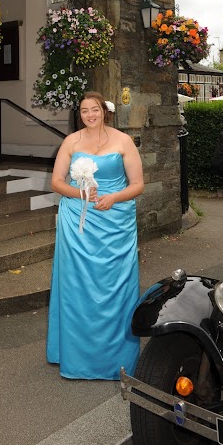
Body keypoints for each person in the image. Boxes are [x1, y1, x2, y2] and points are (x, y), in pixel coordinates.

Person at [46, 91, 144, 380]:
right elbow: (56, 182)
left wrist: (113, 198)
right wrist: (81, 194)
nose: (90, 115)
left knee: (116, 286)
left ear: (105, 111)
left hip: (116, 222)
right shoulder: (71, 142)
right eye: (84, 110)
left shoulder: (123, 141)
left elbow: (138, 185)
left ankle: (118, 359)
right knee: (77, 287)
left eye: (95, 110)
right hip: (78, 222)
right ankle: (77, 357)